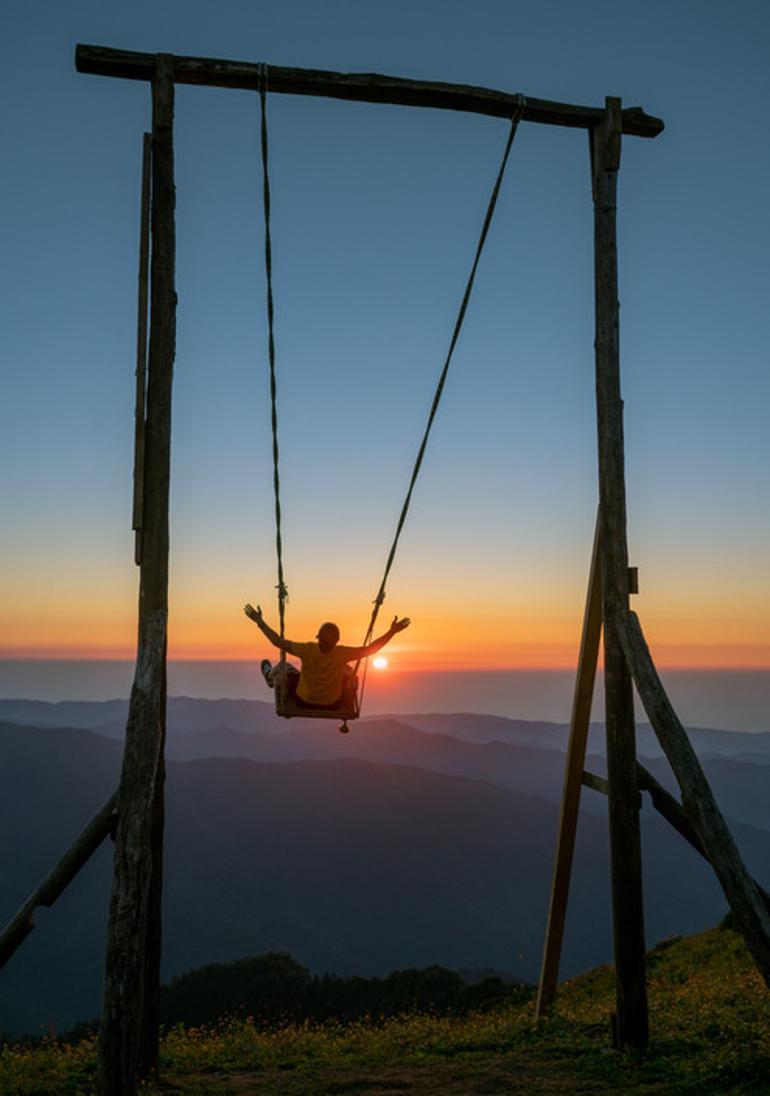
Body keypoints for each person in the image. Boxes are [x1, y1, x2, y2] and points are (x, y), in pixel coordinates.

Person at [244, 603, 410, 710]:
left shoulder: (307, 649)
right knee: (348, 672)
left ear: (318, 637)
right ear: (337, 641)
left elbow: (277, 641)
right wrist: (392, 632)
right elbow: (372, 649)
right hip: (333, 703)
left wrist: (260, 621)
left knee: (284, 668)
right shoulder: (342, 654)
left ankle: (268, 675)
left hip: (304, 700)